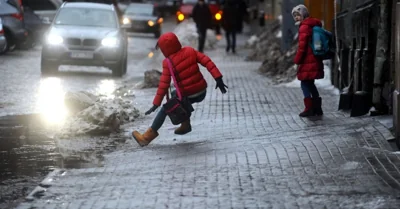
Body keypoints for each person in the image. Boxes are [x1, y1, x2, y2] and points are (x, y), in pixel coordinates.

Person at [132, 32, 228, 147]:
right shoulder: (190, 51)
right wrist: (218, 79)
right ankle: (185, 125)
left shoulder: (168, 62)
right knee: (175, 94)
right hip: (202, 92)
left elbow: (164, 84)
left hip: (188, 94)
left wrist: (156, 104)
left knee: (166, 108)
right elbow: (207, 62)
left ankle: (146, 137)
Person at [292, 4, 324, 117]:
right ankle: (317, 108)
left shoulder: (304, 27)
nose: (296, 17)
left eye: (298, 15)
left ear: (304, 14)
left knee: (304, 84)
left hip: (307, 59)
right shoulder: (312, 24)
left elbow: (302, 46)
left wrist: (297, 60)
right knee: (310, 84)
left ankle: (309, 108)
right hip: (314, 58)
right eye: (294, 16)